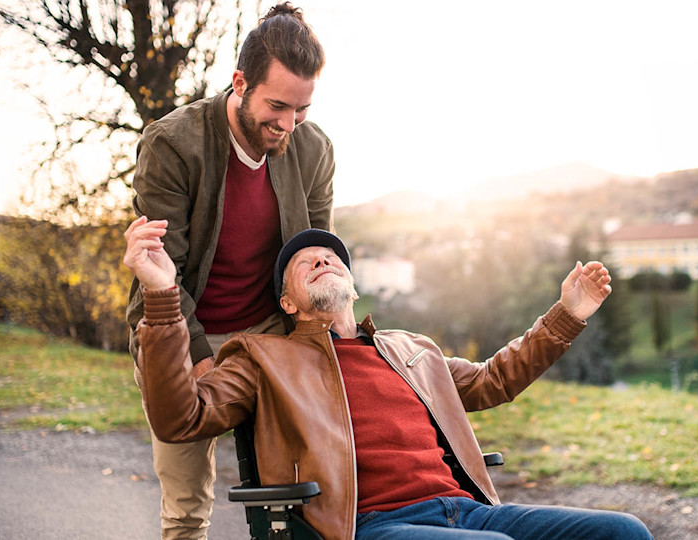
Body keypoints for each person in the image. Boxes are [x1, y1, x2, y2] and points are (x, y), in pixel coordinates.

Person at [124, 219, 654, 540]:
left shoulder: (410, 350)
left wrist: (567, 313)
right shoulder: (264, 359)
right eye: (304, 262)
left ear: (353, 287)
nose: (322, 259)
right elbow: (180, 418)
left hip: (467, 512)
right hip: (372, 525)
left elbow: (495, 379)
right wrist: (162, 299)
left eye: (331, 257)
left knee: (623, 533)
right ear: (287, 302)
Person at [123, 3, 333, 537]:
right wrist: (198, 361)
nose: (288, 126)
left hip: (268, 331)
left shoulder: (314, 150)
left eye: (302, 110)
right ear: (240, 82)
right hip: (180, 329)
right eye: (278, 107)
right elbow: (164, 273)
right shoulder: (174, 144)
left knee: (305, 493)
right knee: (187, 505)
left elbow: (317, 257)